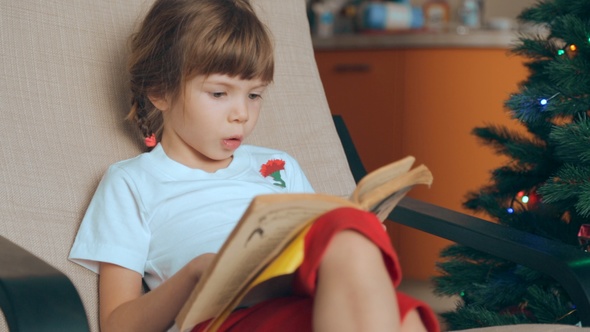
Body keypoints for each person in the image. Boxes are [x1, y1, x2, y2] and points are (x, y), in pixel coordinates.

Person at [69, 0, 440, 331]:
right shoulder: (131, 183)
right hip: (224, 319)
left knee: (387, 291)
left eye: (255, 95)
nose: (242, 115)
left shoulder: (278, 166)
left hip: (301, 303)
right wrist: (196, 273)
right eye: (219, 93)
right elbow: (117, 324)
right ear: (159, 91)